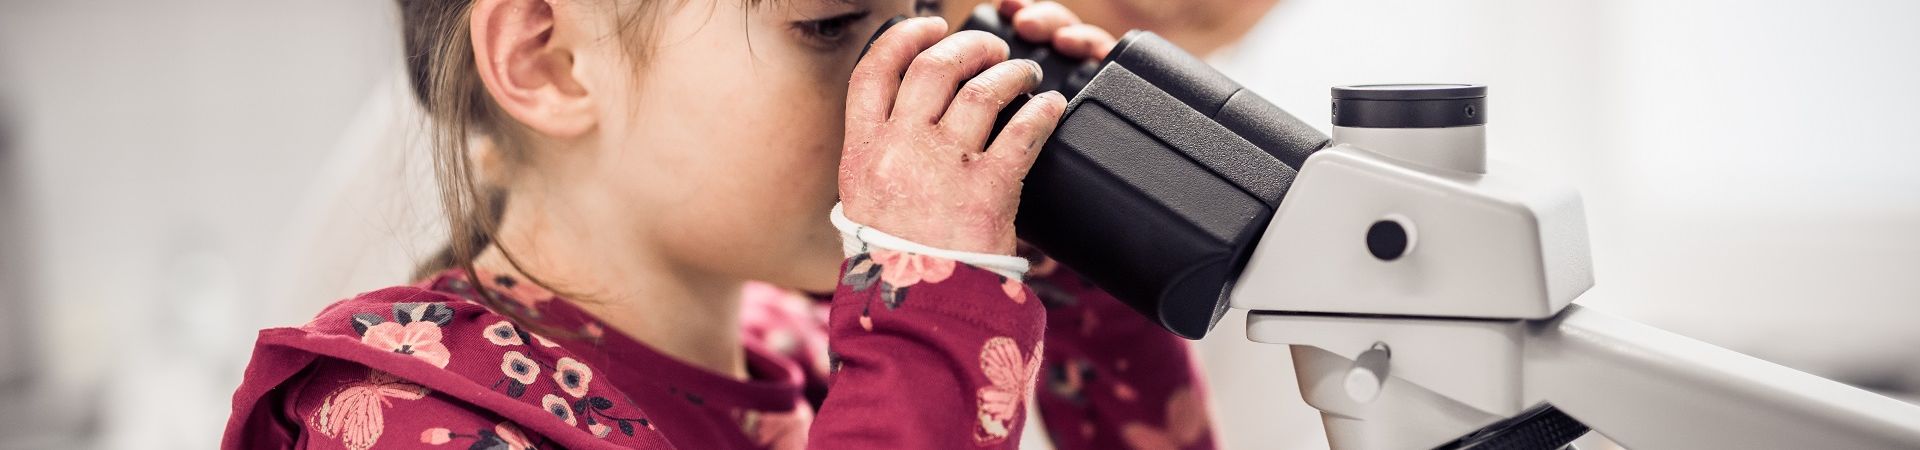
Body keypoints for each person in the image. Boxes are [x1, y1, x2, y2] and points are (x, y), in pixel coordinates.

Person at [223, 0, 1214, 448]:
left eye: (921, 13)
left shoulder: (814, 354)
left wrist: (1085, 272)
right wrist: (934, 312)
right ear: (550, 60)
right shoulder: (399, 423)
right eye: (830, 26)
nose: (919, 73)